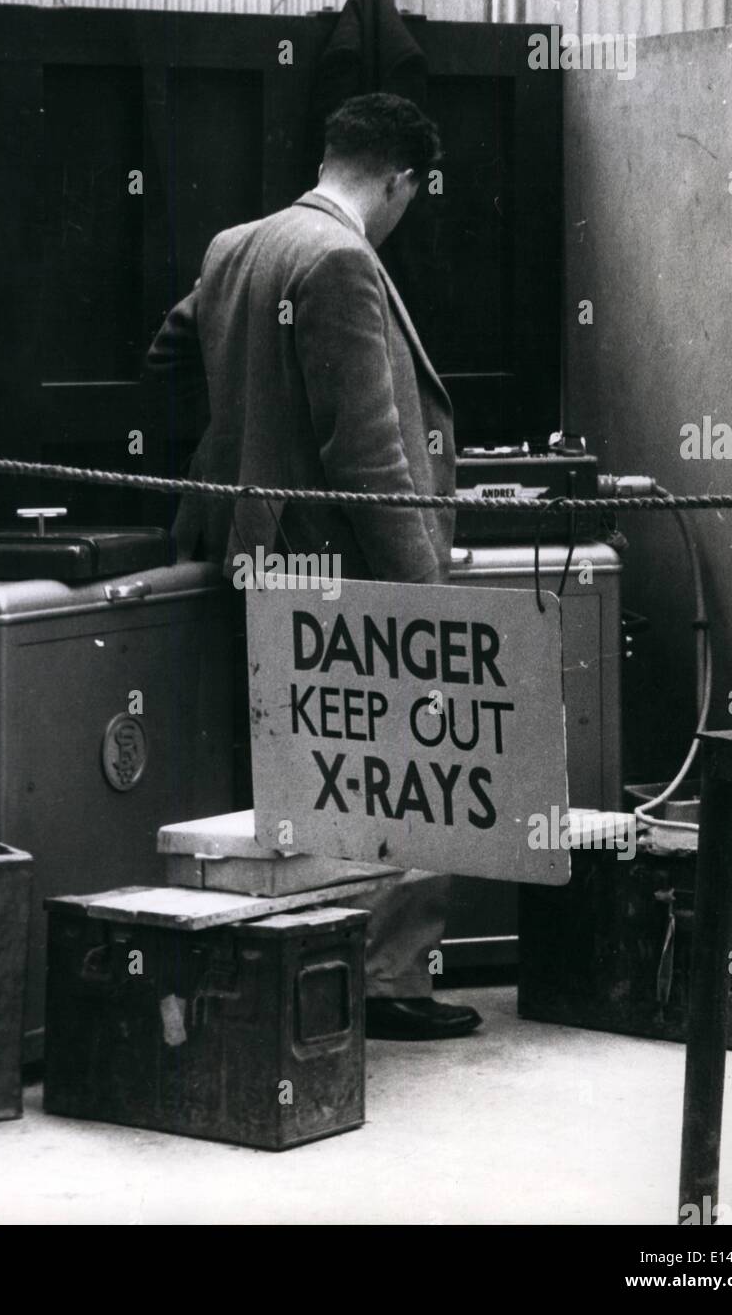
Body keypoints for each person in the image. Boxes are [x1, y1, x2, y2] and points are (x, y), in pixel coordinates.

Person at [146, 93, 481, 1040]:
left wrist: (242, 449)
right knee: (409, 766)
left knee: (306, 776)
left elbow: (168, 357)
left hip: (252, 554)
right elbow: (368, 455)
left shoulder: (234, 246)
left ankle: (313, 978)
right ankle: (385, 984)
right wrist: (431, 604)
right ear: (400, 180)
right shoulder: (339, 260)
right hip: (337, 565)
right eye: (415, 194)